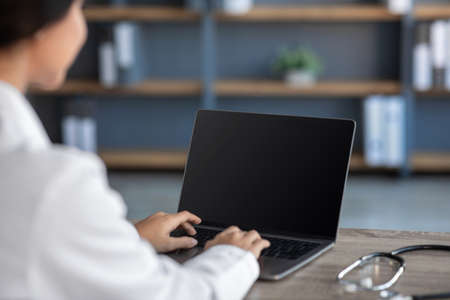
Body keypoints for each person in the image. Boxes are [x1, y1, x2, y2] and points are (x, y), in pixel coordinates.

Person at [0, 0, 270, 299]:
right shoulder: (52, 185)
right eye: (78, 8)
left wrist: (121, 239)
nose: (82, 27)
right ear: (40, 26)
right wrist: (232, 256)